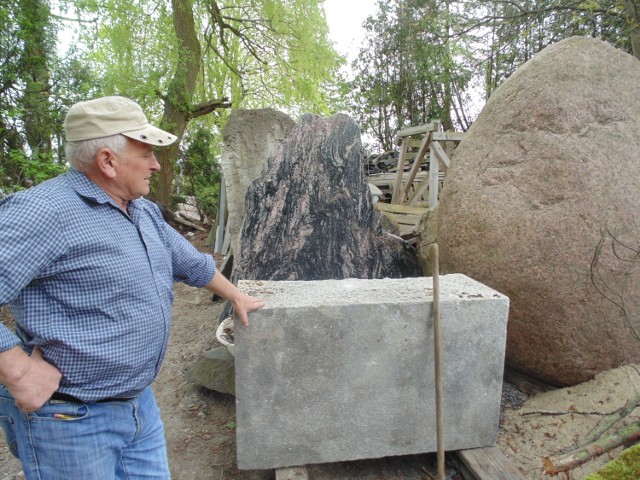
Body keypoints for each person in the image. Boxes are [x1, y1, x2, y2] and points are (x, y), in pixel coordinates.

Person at [0, 96, 264, 479]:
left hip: (139, 407)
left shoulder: (140, 209)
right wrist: (17, 370)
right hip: (70, 420)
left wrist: (236, 295)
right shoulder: (42, 212)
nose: (157, 164)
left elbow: (189, 263)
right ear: (108, 160)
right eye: (146, 154)